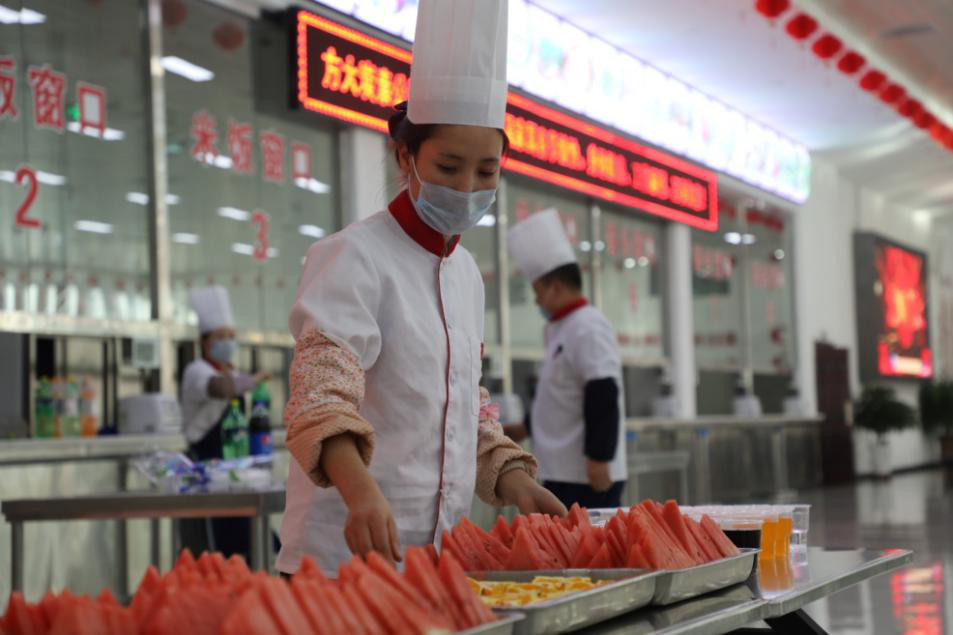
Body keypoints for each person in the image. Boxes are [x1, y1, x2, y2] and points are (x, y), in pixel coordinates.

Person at [277, 0, 565, 575]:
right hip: (341, 559)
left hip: (437, 559)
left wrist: (516, 481)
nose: (467, 187)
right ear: (405, 155)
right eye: (449, 167)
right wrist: (361, 493)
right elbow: (320, 397)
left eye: (486, 172)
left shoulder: (466, 275)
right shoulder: (353, 256)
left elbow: (463, 407)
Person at [506, 210, 628, 510]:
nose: (536, 301)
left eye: (537, 292)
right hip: (559, 469)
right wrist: (523, 428)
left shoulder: (588, 325)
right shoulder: (558, 329)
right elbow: (559, 396)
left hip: (585, 475)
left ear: (556, 288)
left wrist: (599, 458)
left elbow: (603, 391)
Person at [179, 286, 269, 558]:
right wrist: (254, 380)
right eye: (220, 337)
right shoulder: (197, 371)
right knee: (214, 548)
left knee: (250, 543)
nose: (227, 342)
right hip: (206, 472)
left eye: (231, 336)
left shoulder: (233, 372)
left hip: (235, 471)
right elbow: (221, 388)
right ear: (204, 341)